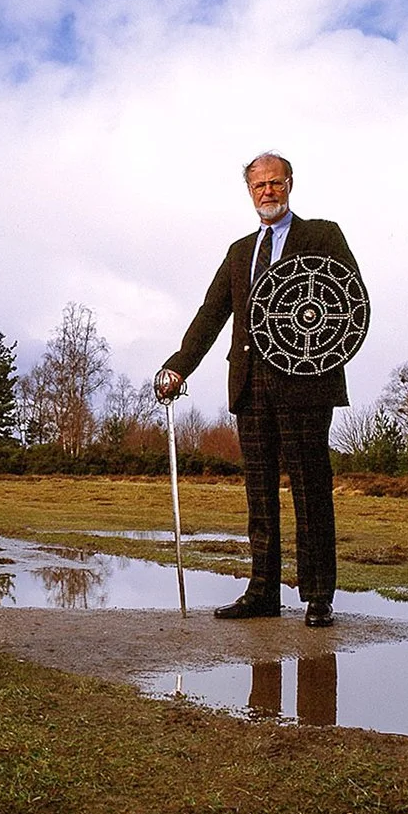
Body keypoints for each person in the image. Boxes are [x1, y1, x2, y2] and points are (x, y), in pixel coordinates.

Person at [154, 152, 361, 628]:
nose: (267, 192)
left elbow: (349, 300)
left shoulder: (322, 236)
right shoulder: (239, 251)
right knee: (260, 495)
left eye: (275, 183)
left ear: (290, 184)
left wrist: (319, 352)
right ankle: (263, 591)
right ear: (249, 193)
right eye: (258, 186)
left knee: (311, 491)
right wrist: (178, 367)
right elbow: (211, 314)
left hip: (305, 385)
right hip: (251, 385)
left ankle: (317, 597)